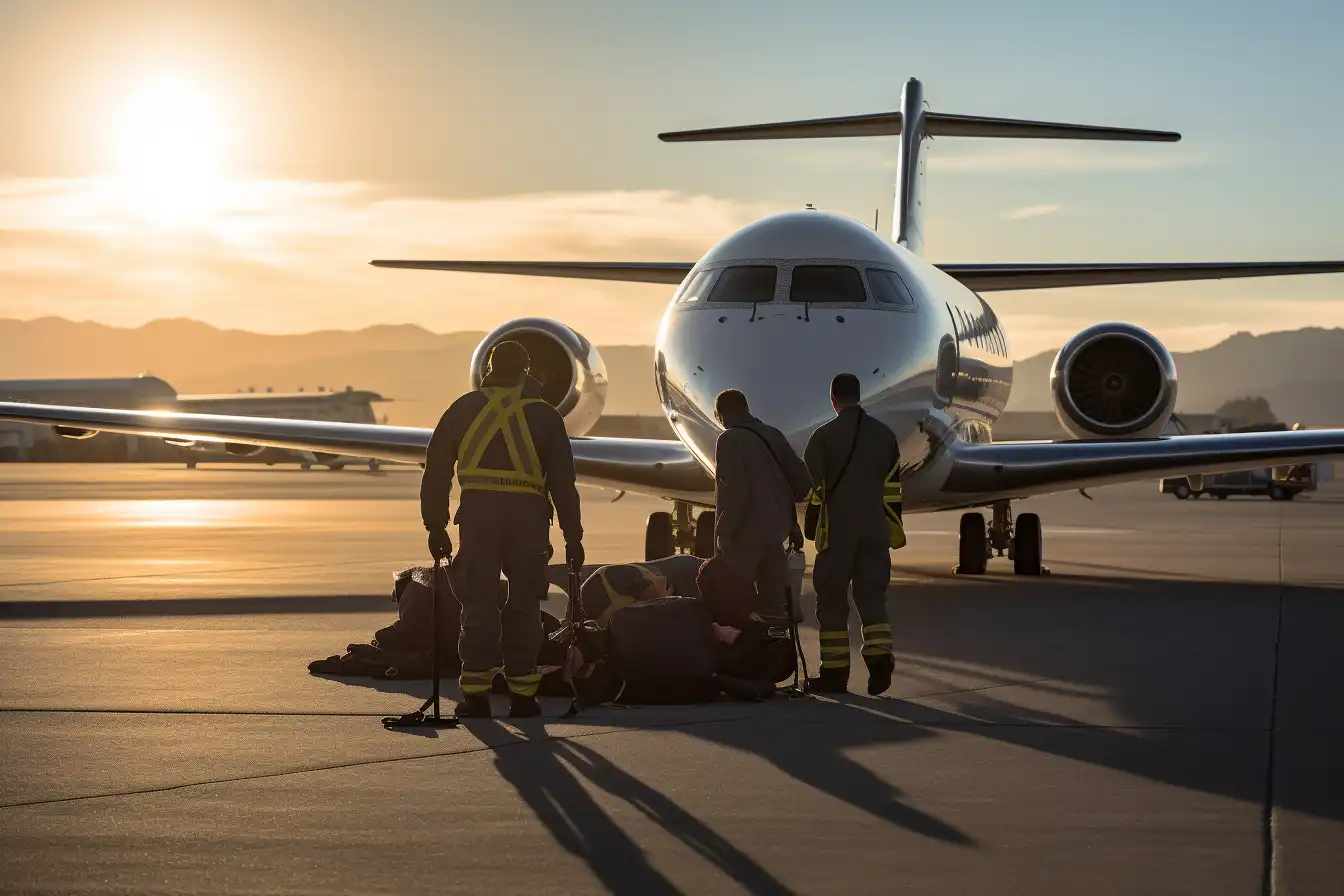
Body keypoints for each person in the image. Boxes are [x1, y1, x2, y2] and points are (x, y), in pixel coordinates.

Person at [420, 340, 584, 718]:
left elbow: (437, 471)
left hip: (478, 516)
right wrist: (573, 536)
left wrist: (436, 525)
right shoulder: (545, 416)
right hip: (528, 519)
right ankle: (524, 696)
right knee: (524, 605)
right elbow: (563, 483)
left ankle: (476, 696)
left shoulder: (463, 409)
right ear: (527, 371)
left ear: (489, 368)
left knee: (477, 603)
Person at [802, 373, 899, 696]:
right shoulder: (885, 436)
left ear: (833, 399)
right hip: (875, 529)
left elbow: (816, 491)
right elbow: (892, 490)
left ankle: (835, 673)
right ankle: (880, 658)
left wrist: (810, 526)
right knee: (872, 597)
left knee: (831, 602)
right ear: (860, 396)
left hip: (838, 531)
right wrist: (891, 528)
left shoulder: (823, 437)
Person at [712, 389, 811, 618]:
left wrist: (724, 530)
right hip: (776, 536)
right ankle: (774, 649)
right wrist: (790, 522)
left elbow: (734, 491)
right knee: (775, 606)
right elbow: (800, 481)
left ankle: (742, 649)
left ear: (720, 414)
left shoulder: (728, 440)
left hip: (744, 539)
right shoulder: (772, 434)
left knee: (733, 603)